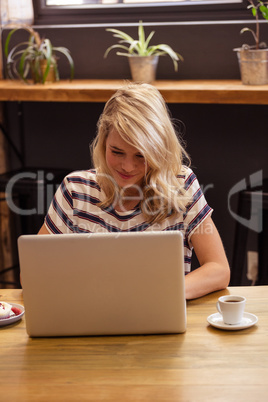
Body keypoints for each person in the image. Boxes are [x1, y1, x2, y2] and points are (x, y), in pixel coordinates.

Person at [38, 82, 230, 300]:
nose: (127, 167)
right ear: (103, 143)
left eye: (141, 155)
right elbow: (33, 274)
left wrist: (159, 294)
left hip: (161, 315)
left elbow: (218, 269)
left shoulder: (181, 184)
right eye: (117, 152)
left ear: (159, 150)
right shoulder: (75, 190)